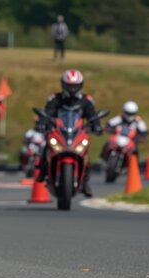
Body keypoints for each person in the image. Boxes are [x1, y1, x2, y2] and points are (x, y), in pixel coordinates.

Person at [37, 69, 103, 197]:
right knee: (47, 144)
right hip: (59, 131)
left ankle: (85, 181)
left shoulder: (86, 100)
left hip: (78, 132)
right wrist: (43, 122)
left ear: (80, 86)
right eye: (69, 86)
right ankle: (42, 169)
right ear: (63, 85)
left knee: (85, 153)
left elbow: (92, 116)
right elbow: (48, 112)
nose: (72, 89)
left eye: (75, 86)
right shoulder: (55, 98)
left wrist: (97, 126)